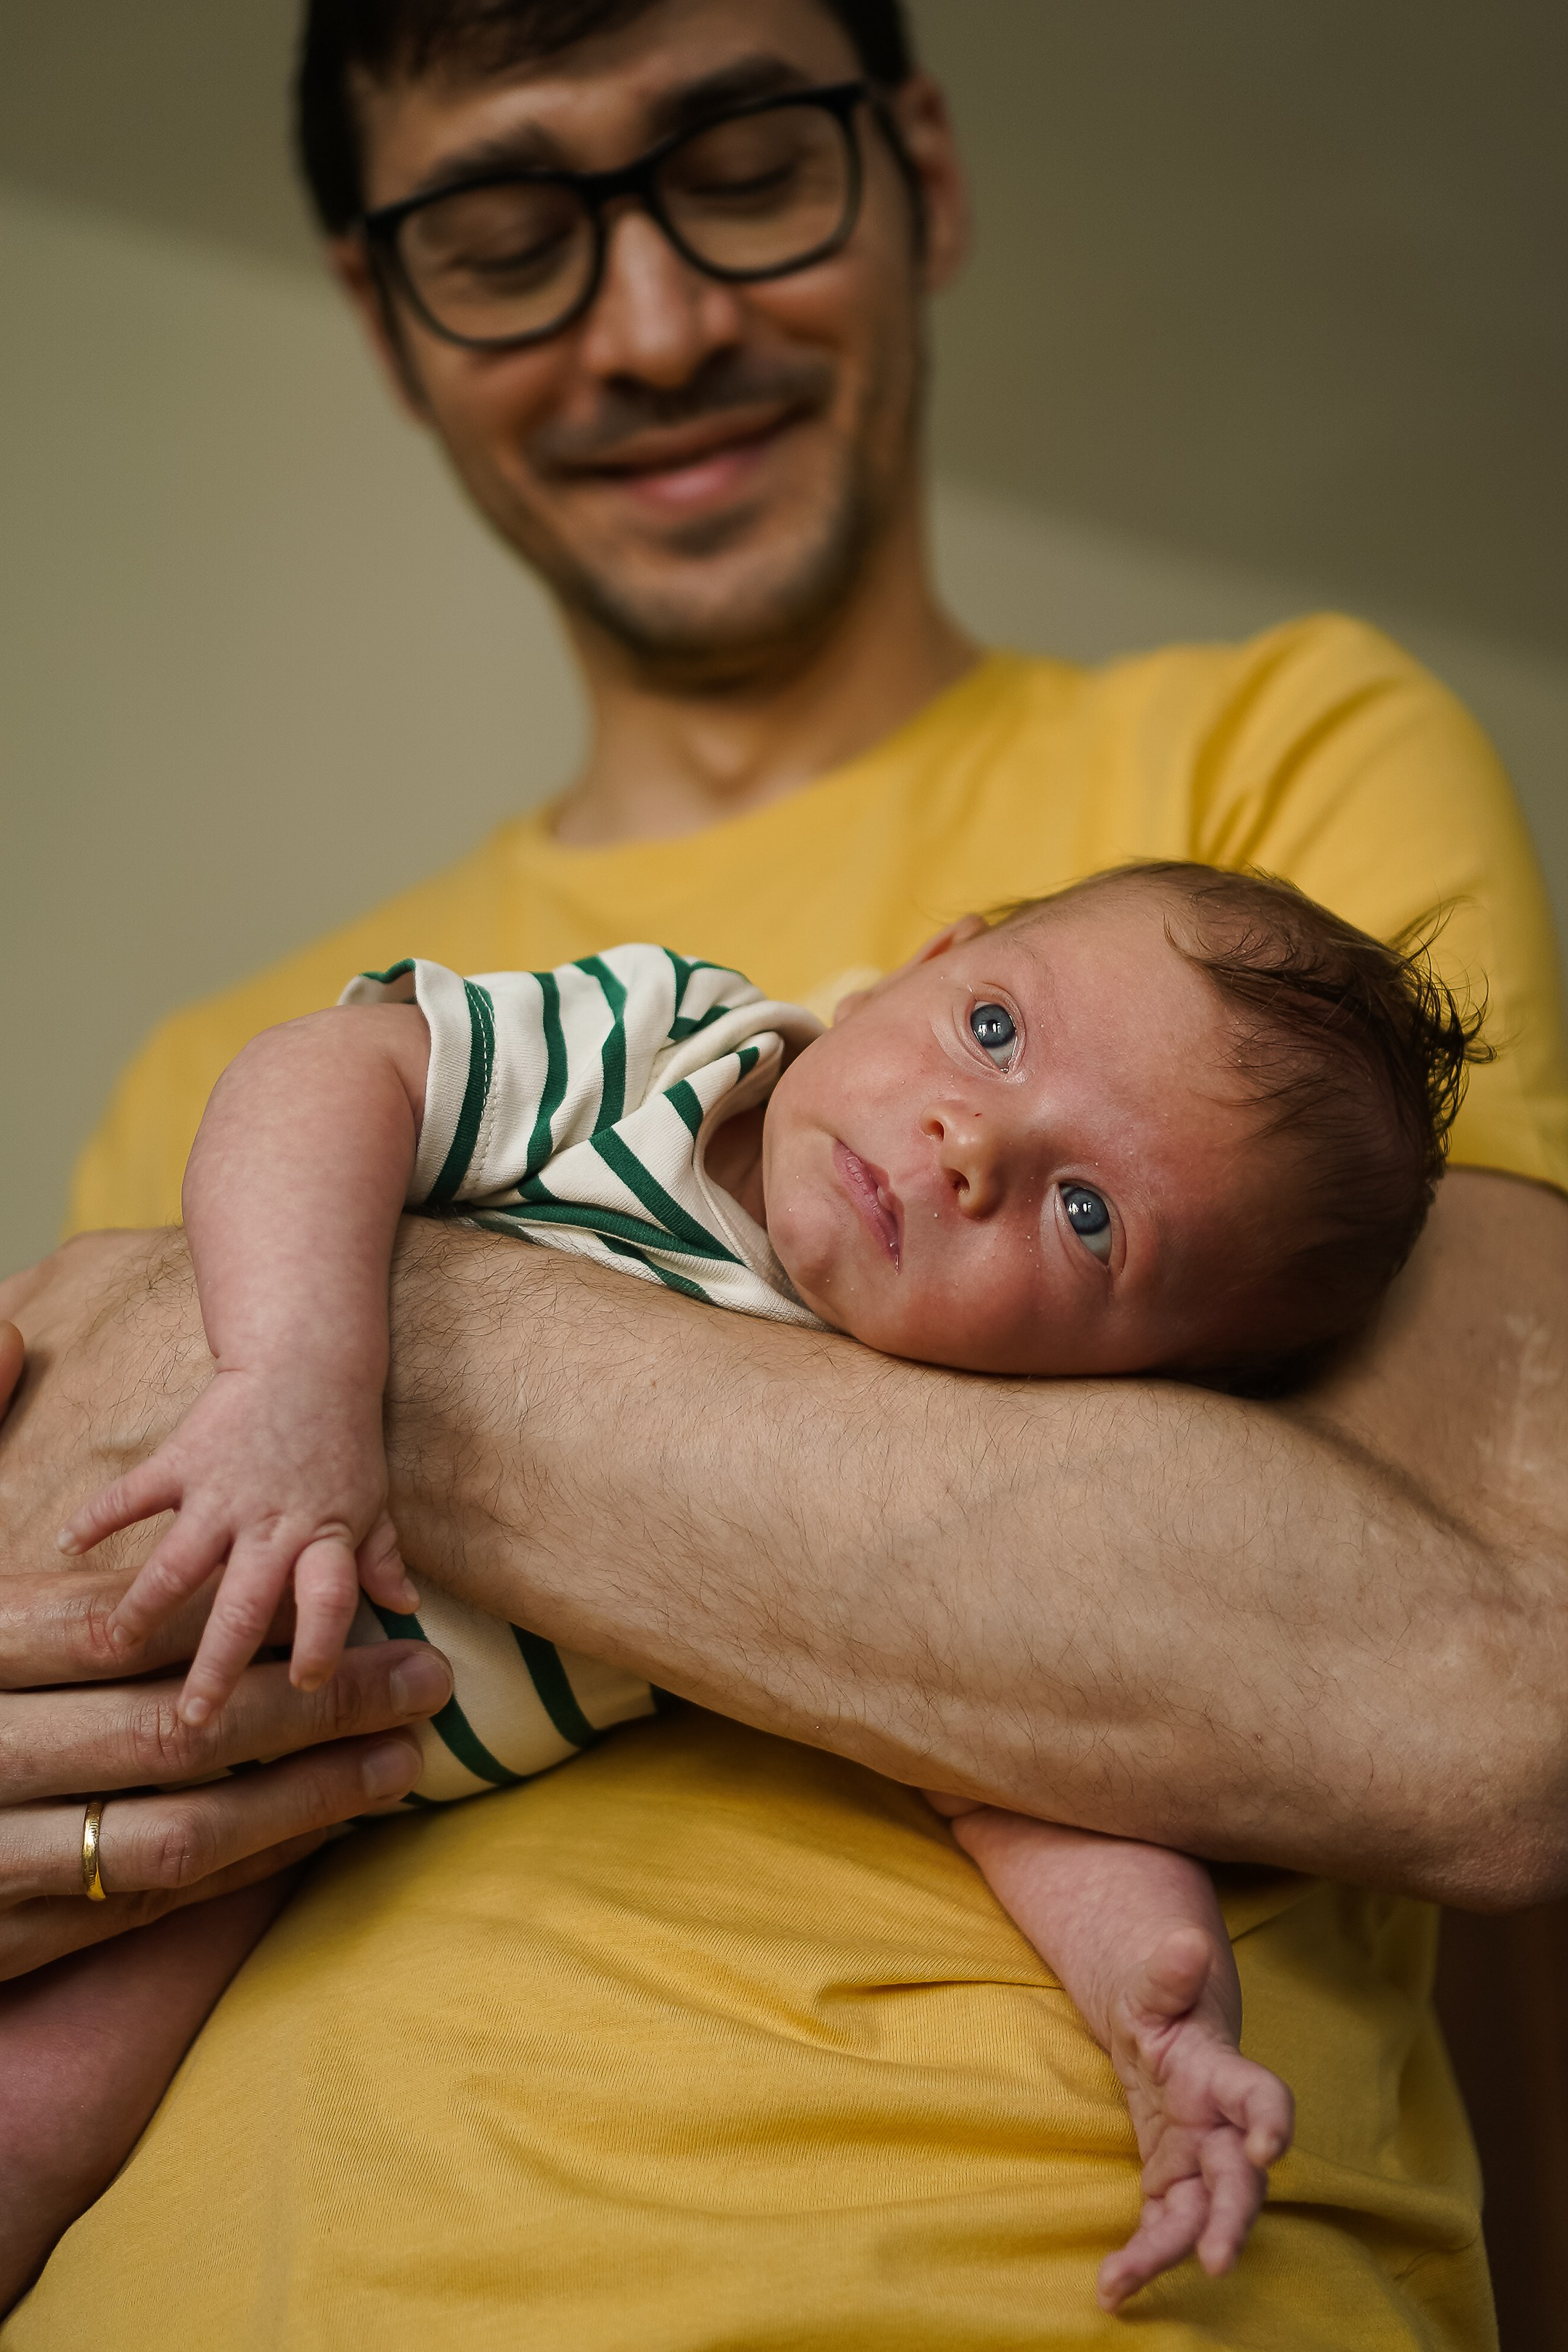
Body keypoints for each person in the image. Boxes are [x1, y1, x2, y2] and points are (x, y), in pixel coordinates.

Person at [1, 1, 1565, 2344]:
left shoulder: (1267, 824)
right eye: (511, 231)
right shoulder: (612, 1041)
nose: (652, 323)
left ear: (921, 171)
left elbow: (1463, 1683)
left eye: (740, 166)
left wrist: (1164, 2011)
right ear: (387, 319)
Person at [15, 865, 1484, 2311]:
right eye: (992, 1030)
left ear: (1143, 1380)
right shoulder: (661, 1053)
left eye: (1088, 1216)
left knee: (39, 2131)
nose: (971, 1141)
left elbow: (1029, 1767)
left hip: (240, 1803)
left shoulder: (952, 1469)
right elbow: (324, 1075)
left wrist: (1164, 2010)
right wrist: (296, 1377)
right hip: (105, 1510)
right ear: (930, 952)